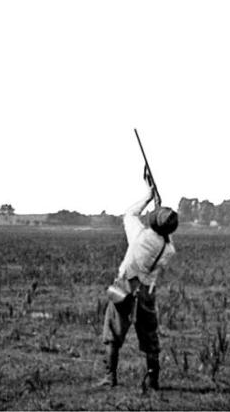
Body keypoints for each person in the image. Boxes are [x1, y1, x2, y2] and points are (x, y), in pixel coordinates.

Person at [96, 168, 178, 392]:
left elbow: (129, 214)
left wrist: (148, 196)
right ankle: (153, 381)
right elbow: (166, 237)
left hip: (125, 287)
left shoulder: (140, 235)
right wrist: (160, 210)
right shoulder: (168, 249)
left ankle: (110, 377)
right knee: (150, 338)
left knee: (113, 334)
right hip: (147, 293)